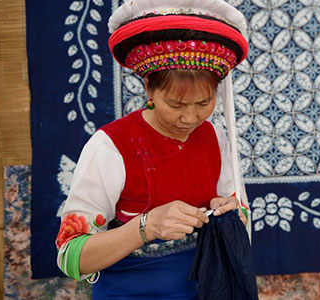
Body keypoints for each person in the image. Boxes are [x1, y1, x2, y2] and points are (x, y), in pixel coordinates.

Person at [55, 0, 251, 298]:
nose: (190, 118)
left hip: (208, 287)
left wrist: (229, 214)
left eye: (203, 103)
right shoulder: (110, 146)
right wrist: (146, 227)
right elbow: (71, 258)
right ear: (149, 88)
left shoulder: (214, 136)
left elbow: (241, 216)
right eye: (175, 104)